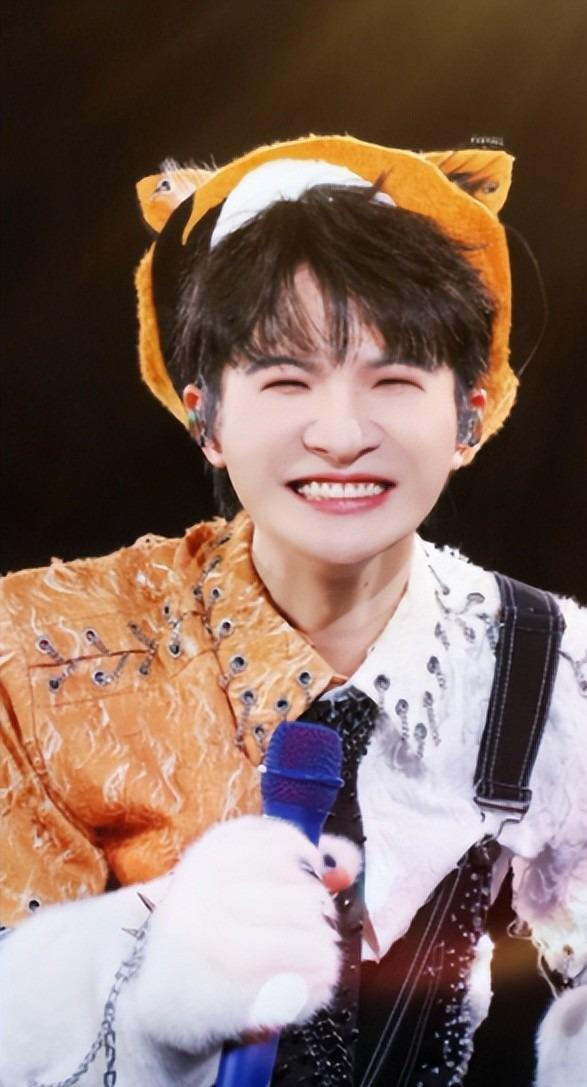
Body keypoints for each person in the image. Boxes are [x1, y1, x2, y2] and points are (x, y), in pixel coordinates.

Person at [0, 135, 585, 1087]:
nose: (341, 434)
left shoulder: (555, 669)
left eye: (394, 379)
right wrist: (150, 997)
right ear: (206, 418)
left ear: (469, 418)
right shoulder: (38, 652)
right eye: (284, 379)